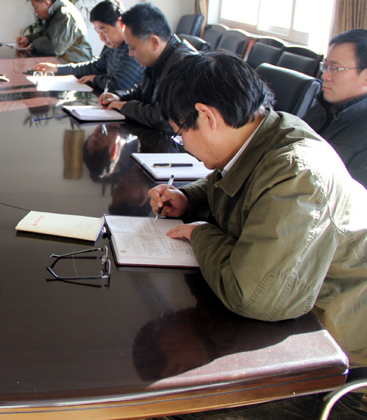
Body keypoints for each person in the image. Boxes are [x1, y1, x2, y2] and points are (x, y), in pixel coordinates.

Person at [147, 52, 367, 418]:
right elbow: (234, 182)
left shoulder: (297, 172)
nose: (182, 143)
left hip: (338, 360)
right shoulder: (266, 132)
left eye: (180, 132)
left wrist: (200, 234)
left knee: (178, 406)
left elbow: (255, 297)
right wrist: (190, 199)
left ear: (208, 117)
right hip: (300, 321)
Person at [99, 2, 197, 132]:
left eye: (133, 48)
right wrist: (119, 96)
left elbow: (164, 119)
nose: (130, 54)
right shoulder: (160, 58)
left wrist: (124, 106)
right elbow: (142, 90)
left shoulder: (183, 65)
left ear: (154, 42)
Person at [33, 0, 144, 91]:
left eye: (104, 31)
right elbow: (95, 67)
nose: (102, 38)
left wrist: (95, 79)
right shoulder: (113, 45)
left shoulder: (134, 48)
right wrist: (57, 69)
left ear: (121, 23)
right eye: (98, 32)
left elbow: (119, 85)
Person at [303, 28, 367, 188]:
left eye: (335, 68)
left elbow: (350, 196)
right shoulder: (323, 108)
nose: (324, 76)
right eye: (325, 66)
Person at [15, 0, 92, 63]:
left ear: (46, 3)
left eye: (36, 7)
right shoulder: (56, 12)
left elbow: (54, 48)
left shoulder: (64, 14)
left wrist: (34, 43)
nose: (35, 12)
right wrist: (28, 39)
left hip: (76, 65)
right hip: (65, 63)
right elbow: (45, 34)